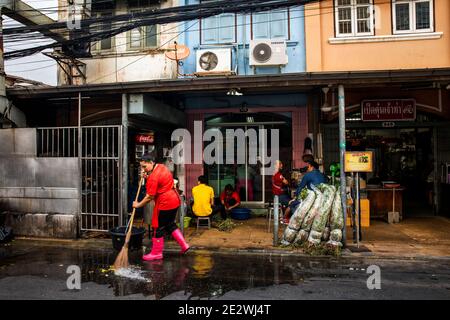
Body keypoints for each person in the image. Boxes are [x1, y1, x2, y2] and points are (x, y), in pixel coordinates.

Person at [133, 153, 190, 261]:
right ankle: (184, 245)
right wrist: (147, 176)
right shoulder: (161, 167)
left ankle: (157, 253)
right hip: (174, 199)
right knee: (170, 224)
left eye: (144, 166)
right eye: (141, 167)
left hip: (165, 203)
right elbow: (160, 180)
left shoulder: (153, 177)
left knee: (157, 227)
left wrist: (138, 205)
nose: (143, 169)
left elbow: (149, 196)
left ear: (151, 162)